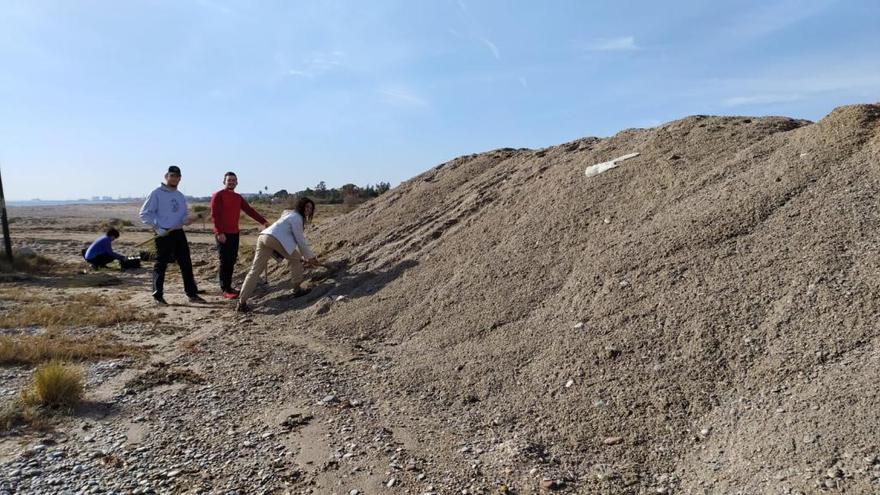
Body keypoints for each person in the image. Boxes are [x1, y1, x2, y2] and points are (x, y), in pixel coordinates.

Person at [236, 197, 318, 313]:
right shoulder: (297, 218)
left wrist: (306, 256)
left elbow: (286, 230)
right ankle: (297, 290)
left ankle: (241, 303)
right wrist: (310, 257)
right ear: (301, 206)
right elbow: (300, 240)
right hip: (275, 239)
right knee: (297, 260)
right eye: (306, 207)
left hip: (264, 237)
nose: (308, 210)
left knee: (255, 271)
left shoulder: (288, 214)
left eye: (310, 208)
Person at [139, 165, 206, 305]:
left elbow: (182, 217)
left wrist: (189, 220)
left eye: (177, 176)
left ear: (180, 179)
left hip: (178, 233)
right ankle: (158, 295)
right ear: (166, 176)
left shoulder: (180, 196)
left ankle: (192, 293)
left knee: (186, 263)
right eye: (172, 176)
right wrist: (157, 227)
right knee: (161, 264)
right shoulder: (156, 193)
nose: (175, 179)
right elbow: (144, 214)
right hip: (163, 233)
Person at [210, 171, 270, 299]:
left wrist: (263, 221)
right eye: (229, 180)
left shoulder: (238, 197)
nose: (231, 182)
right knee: (225, 261)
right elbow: (215, 216)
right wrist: (219, 232)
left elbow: (249, 210)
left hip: (234, 233)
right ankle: (225, 289)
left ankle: (229, 286)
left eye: (233, 180)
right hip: (223, 234)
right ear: (224, 181)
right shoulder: (218, 195)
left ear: (236, 182)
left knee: (231, 260)